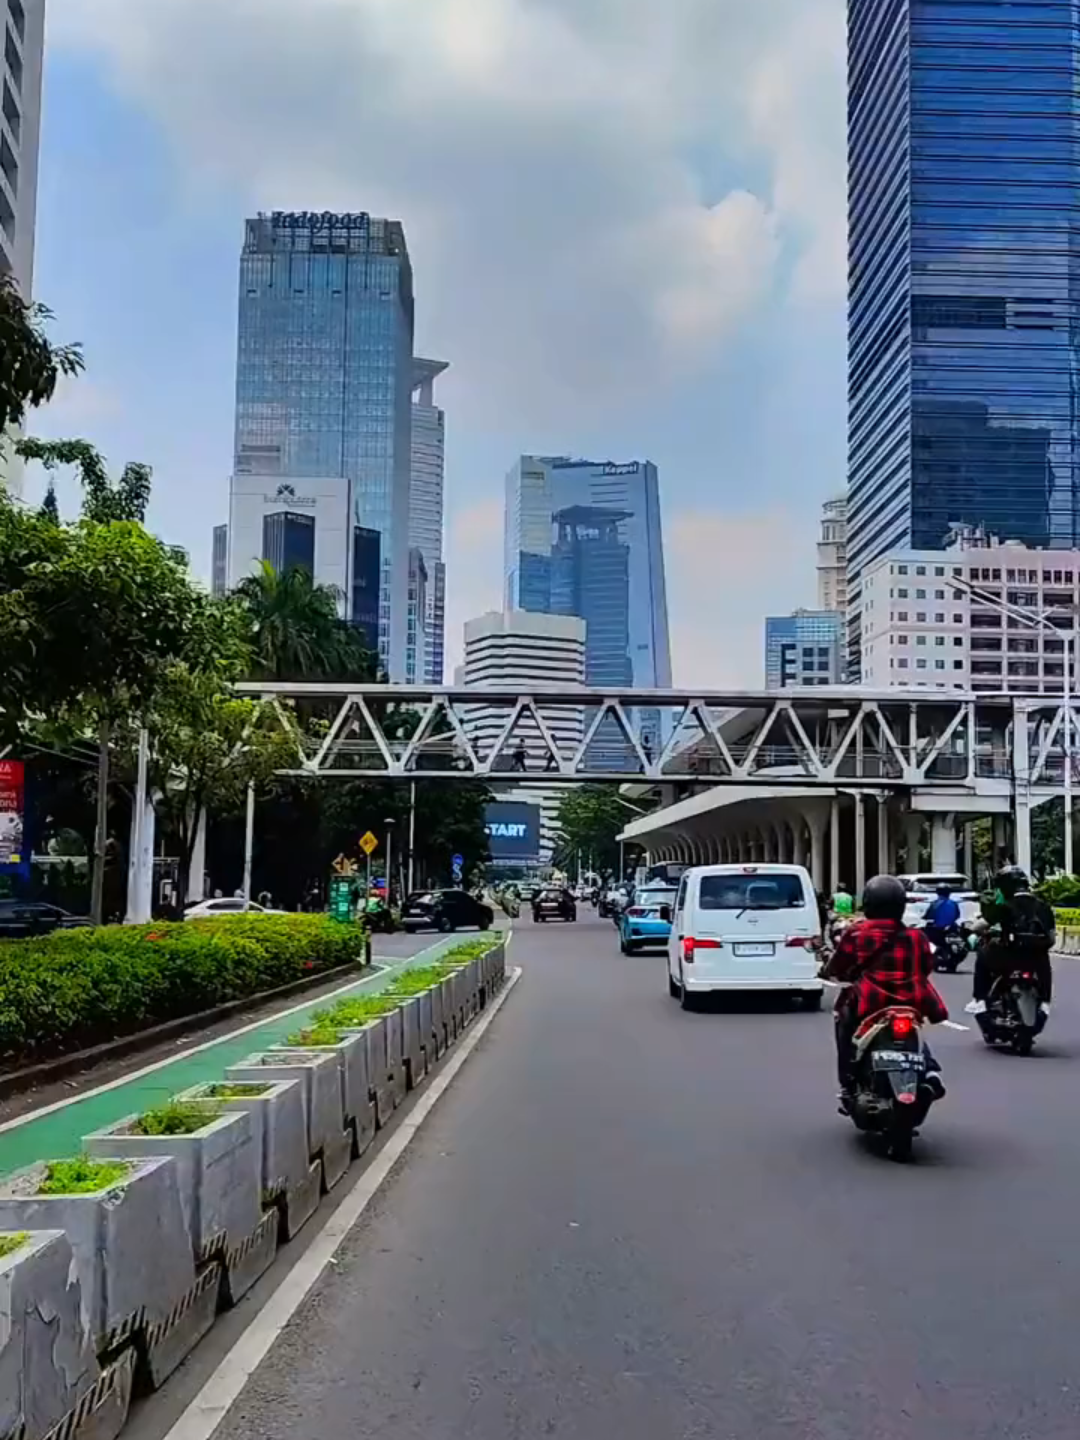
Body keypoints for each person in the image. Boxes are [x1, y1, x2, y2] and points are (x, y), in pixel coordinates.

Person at [823, 873, 948, 1103]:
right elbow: (926, 967)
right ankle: (930, 1070)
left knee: (845, 1028)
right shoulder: (915, 936)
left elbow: (839, 965)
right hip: (910, 1000)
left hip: (869, 1001)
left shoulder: (857, 933)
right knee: (915, 1030)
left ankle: (849, 1083)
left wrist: (830, 971)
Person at [967, 865, 1054, 1016]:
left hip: (1007, 957)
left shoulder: (1005, 905)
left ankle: (979, 999)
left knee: (982, 956)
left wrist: (971, 930)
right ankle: (1045, 1002)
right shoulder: (1043, 906)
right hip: (1036, 959)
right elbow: (1051, 938)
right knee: (1045, 963)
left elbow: (980, 925)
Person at [922, 882, 961, 954]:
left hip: (938, 929)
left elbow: (928, 916)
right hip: (951, 928)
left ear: (937, 892)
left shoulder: (935, 903)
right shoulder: (954, 903)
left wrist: (923, 918)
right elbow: (957, 915)